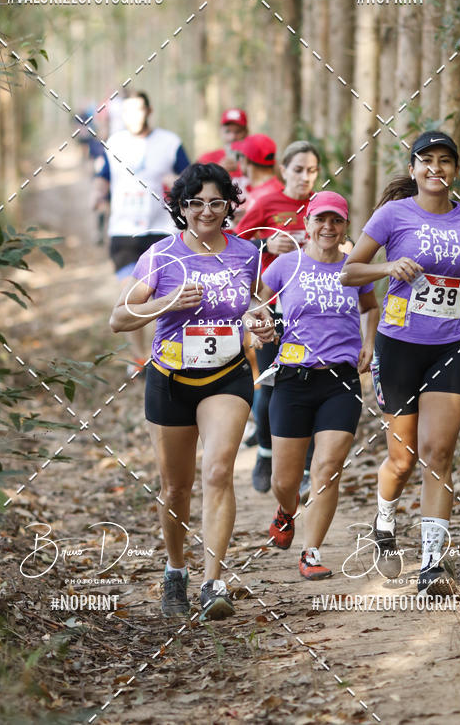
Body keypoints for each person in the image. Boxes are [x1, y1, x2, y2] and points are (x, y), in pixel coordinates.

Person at [340, 130, 460, 595]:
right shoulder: (393, 215)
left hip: (451, 343)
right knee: (403, 458)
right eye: (427, 161)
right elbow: (350, 272)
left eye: (445, 161)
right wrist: (386, 268)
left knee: (439, 453)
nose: (436, 168)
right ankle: (383, 524)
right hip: (399, 345)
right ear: (414, 169)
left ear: (456, 170)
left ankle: (432, 567)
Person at [109, 163, 274, 620]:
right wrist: (167, 301)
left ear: (229, 205)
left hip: (227, 374)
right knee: (175, 486)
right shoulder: (161, 256)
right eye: (195, 203)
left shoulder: (246, 254)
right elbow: (118, 318)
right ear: (181, 207)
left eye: (216, 202)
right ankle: (176, 570)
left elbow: (258, 303)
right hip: (171, 378)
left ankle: (213, 582)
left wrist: (261, 322)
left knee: (219, 471)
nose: (206, 211)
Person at [255, 191, 379, 579]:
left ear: (345, 226)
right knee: (285, 480)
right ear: (307, 224)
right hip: (292, 379)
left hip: (340, 381)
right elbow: (257, 300)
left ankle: (311, 552)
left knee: (328, 467)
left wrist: (369, 343)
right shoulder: (285, 266)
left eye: (336, 220)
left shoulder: (353, 268)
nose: (328, 227)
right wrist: (259, 324)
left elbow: (371, 307)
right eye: (320, 219)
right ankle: (285, 512)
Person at [236, 140, 321, 493]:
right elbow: (235, 244)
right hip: (273, 305)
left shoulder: (321, 205)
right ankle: (266, 453)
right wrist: (265, 246)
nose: (305, 177)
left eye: (312, 170)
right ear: (282, 170)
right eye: (298, 169)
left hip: (315, 308)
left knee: (313, 382)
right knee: (273, 381)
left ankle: (304, 468)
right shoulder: (267, 203)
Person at [95, 92, 190, 372]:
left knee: (167, 295)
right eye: (128, 111)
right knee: (131, 294)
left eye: (139, 110)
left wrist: (177, 182)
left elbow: (191, 179)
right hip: (124, 231)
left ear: (149, 110)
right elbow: (103, 177)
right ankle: (139, 358)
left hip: (163, 228)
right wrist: (98, 194)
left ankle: (165, 352)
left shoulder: (170, 142)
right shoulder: (114, 143)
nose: (134, 116)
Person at [231, 133, 281, 212]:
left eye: (239, 155)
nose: (238, 161)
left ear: (246, 159)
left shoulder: (259, 199)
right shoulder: (279, 188)